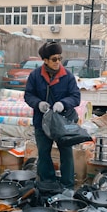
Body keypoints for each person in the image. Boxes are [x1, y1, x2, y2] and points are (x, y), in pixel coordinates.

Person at [24, 41, 81, 189]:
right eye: (54, 59)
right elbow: (28, 95)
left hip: (64, 121)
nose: (58, 62)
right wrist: (38, 104)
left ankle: (67, 185)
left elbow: (76, 97)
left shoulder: (67, 76)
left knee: (66, 154)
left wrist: (63, 103)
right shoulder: (35, 76)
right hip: (41, 122)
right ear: (45, 60)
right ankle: (47, 184)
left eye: (60, 58)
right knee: (44, 154)